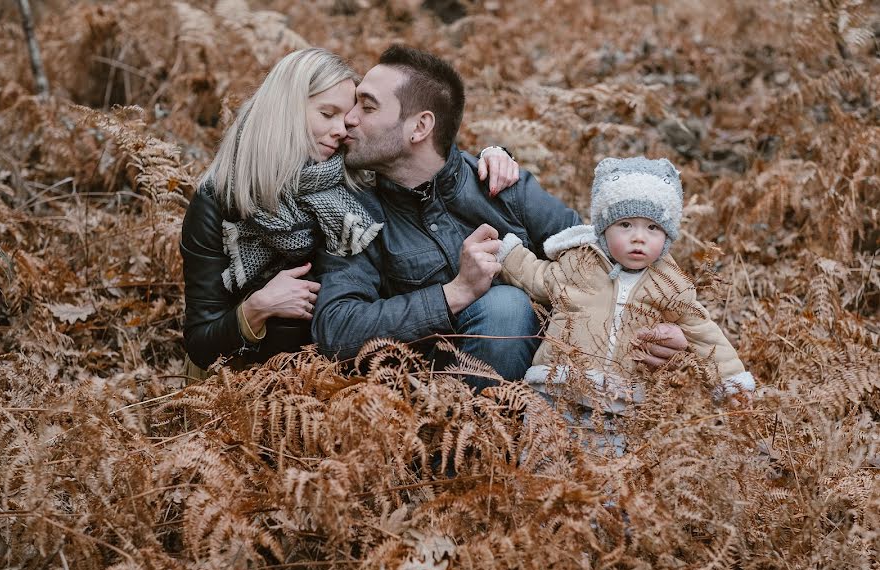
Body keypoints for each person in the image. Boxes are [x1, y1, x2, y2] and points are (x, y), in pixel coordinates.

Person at [312, 46, 690, 389]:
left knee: (506, 306)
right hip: (419, 396)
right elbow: (336, 328)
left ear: (420, 127)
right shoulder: (353, 212)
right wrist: (454, 293)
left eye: (368, 106)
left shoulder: (501, 186)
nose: (348, 119)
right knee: (502, 304)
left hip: (538, 385)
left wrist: (673, 327)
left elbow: (610, 253)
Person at [180, 48, 517, 377]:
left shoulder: (353, 178)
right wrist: (256, 308)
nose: (342, 129)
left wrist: (491, 157)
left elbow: (420, 159)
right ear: (284, 111)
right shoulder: (220, 201)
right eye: (327, 114)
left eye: (346, 117)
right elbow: (200, 343)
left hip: (346, 380)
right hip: (247, 390)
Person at [496, 156, 755, 451]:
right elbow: (538, 277)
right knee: (544, 460)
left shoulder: (670, 283)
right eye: (626, 224)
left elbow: (705, 333)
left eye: (653, 228)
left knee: (606, 477)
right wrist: (507, 253)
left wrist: (732, 382)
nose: (638, 238)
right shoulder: (579, 263)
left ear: (668, 235)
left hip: (618, 403)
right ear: (604, 228)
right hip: (555, 387)